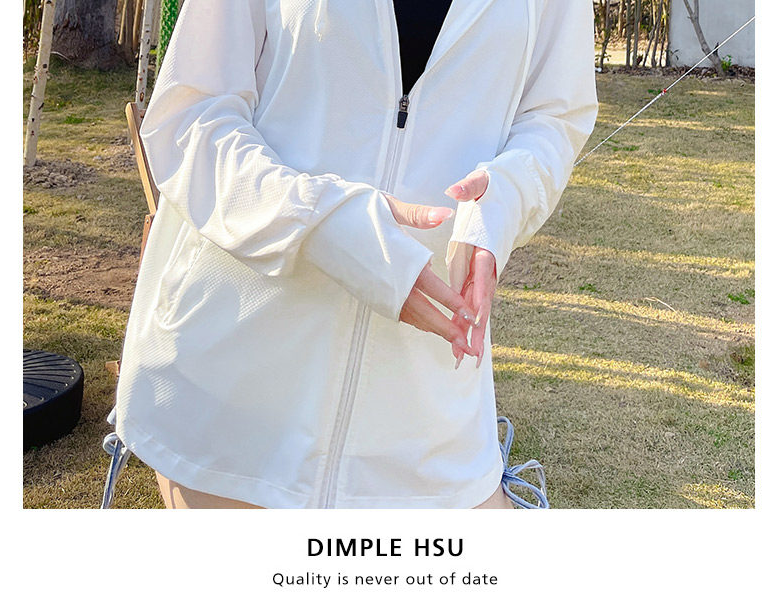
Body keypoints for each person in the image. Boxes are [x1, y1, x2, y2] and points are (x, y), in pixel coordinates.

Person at [109, 0, 598, 509]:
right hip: (230, 403)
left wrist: (509, 193)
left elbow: (555, 116)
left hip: (425, 410)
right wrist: (321, 223)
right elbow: (190, 115)